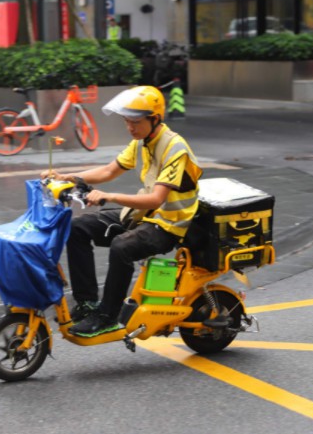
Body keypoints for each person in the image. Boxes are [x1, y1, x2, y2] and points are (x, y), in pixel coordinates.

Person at [42, 86, 203, 337]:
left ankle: (107, 316)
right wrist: (68, 177)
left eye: (135, 122)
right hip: (142, 216)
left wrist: (109, 196)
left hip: (169, 224)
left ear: (155, 118)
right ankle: (86, 303)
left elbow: (156, 199)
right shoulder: (141, 142)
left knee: (122, 246)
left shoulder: (175, 148)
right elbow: (109, 171)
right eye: (127, 121)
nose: (130, 127)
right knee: (76, 228)